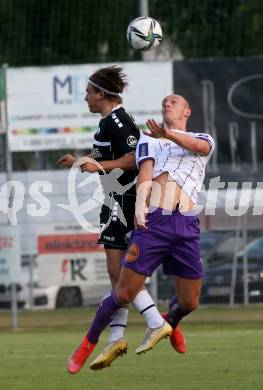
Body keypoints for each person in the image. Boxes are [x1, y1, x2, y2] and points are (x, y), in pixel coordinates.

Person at [66, 93, 215, 372]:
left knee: (190, 301)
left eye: (173, 101)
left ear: (187, 110)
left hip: (186, 225)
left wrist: (168, 134)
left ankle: (168, 320)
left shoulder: (202, 137)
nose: (166, 104)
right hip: (155, 223)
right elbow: (145, 175)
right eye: (164, 103)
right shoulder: (149, 139)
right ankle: (87, 343)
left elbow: (200, 147)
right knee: (122, 293)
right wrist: (139, 208)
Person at [58, 67, 179, 375]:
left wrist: (98, 166)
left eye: (88, 92)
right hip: (116, 198)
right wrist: (82, 160)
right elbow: (110, 155)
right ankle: (117, 336)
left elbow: (132, 158)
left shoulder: (118, 120)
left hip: (122, 199)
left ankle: (154, 322)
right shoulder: (106, 123)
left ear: (101, 94)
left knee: (117, 271)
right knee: (120, 276)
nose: (85, 97)